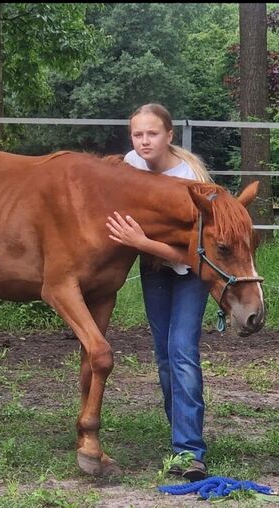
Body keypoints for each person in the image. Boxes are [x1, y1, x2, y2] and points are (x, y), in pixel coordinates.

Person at [106, 103, 213, 482]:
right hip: (155, 271)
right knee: (165, 357)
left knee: (182, 350)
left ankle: (190, 451)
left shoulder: (190, 180)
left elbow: (195, 251)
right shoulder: (130, 166)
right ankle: (180, 435)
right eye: (138, 134)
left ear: (169, 135)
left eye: (152, 133)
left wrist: (140, 242)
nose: (145, 140)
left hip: (189, 271)